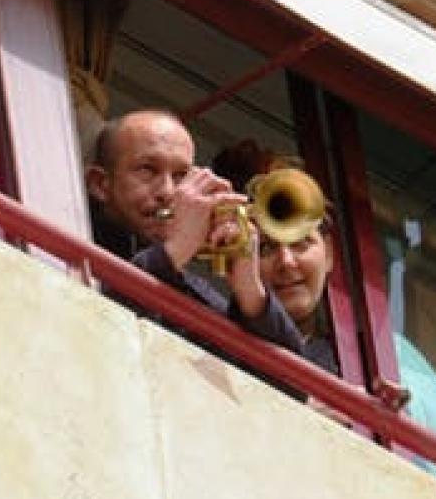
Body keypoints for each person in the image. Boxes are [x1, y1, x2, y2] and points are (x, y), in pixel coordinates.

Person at [214, 138, 436, 499]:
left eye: (301, 243)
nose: (287, 262)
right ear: (230, 258)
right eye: (264, 248)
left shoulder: (381, 357)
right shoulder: (207, 336)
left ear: (329, 255)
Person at [85, 110, 304, 359]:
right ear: (100, 184)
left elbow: (293, 389)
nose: (167, 192)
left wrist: (250, 292)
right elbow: (94, 327)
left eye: (180, 176)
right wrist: (176, 249)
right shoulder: (74, 238)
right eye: (147, 170)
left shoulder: (189, 285)